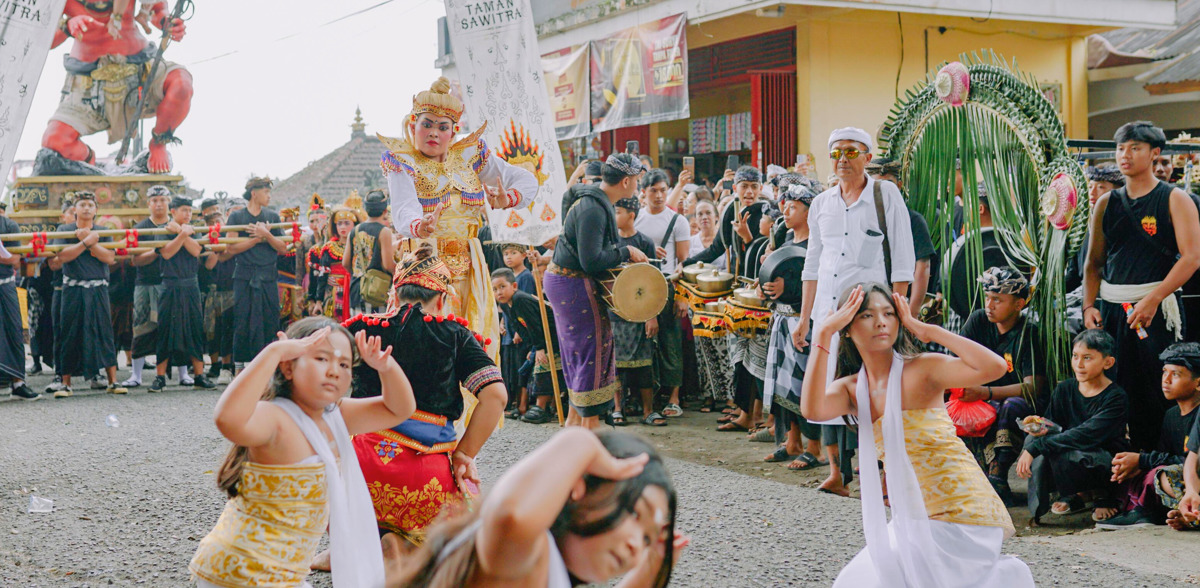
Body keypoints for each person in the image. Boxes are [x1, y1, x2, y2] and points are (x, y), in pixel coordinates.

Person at [802, 284, 1032, 587]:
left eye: (888, 313)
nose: (881, 322)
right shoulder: (851, 388)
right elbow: (812, 409)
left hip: (962, 512)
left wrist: (929, 332)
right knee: (857, 580)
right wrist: (822, 334)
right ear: (847, 327)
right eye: (867, 315)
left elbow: (995, 367)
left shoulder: (924, 368)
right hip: (912, 517)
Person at [189, 317, 415, 588]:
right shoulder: (275, 416)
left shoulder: (335, 416)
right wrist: (273, 353)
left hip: (284, 575)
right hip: (237, 571)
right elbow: (227, 418)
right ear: (288, 367)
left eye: (344, 364)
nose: (334, 371)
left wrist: (385, 366)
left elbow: (399, 409)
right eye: (322, 359)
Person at [345, 245, 507, 545]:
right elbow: (495, 396)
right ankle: (408, 547)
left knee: (342, 499)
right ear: (442, 298)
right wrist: (464, 454)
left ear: (394, 294)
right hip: (424, 477)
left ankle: (358, 543)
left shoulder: (358, 329)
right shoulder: (456, 335)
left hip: (358, 472)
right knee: (465, 514)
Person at [383, 428, 683, 587]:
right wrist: (581, 442)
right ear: (577, 485)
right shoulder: (526, 555)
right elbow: (510, 517)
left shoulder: (540, 561)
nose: (636, 545)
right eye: (634, 513)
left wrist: (654, 564)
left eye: (646, 538)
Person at [795, 127, 917, 497]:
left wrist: (899, 315)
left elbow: (903, 258)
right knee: (827, 385)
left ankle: (881, 474)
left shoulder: (885, 195)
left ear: (867, 156)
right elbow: (812, 266)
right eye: (836, 154)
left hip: (870, 315)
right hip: (828, 314)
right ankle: (837, 472)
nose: (842, 160)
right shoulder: (821, 204)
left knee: (875, 390)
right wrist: (805, 319)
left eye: (851, 152)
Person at [381, 76, 536, 363]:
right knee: (430, 347)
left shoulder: (470, 157)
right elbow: (403, 208)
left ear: (453, 132)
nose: (434, 133)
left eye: (443, 127)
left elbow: (522, 178)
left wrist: (508, 198)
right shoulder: (403, 161)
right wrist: (420, 225)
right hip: (426, 266)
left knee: (474, 340)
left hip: (471, 268)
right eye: (427, 124)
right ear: (413, 125)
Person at [1083, 121, 1200, 451]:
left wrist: (1153, 298)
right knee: (1115, 386)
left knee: (1158, 388)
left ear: (1155, 154)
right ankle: (1119, 475)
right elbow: (1093, 263)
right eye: (1121, 148)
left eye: (1135, 148)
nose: (1126, 155)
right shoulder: (1106, 203)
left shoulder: (1176, 199)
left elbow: (1191, 258)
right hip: (1112, 308)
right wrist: (1088, 306)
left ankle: (1160, 468)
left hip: (1158, 310)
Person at [545, 154, 650, 429]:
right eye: (638, 181)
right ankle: (589, 428)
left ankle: (573, 424)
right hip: (573, 285)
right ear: (626, 181)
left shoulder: (589, 199)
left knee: (578, 354)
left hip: (566, 283)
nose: (637, 186)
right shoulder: (592, 208)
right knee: (590, 354)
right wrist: (626, 250)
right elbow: (591, 260)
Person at [1017, 329, 1130, 525]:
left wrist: (1035, 447)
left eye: (1087, 358)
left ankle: (1103, 494)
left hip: (1102, 460)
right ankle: (1061, 499)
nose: (1079, 364)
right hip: (1069, 450)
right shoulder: (1065, 388)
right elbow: (1055, 425)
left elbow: (1086, 435)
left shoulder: (1115, 397)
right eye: (1075, 356)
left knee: (1050, 448)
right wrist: (1041, 427)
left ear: (1107, 362)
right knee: (1034, 440)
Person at [958, 267, 1047, 503]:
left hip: (1016, 404)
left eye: (997, 299)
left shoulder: (1028, 332)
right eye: (987, 297)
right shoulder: (978, 321)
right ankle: (979, 475)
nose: (990, 304)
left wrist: (987, 392)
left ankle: (997, 473)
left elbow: (1033, 387)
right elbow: (957, 361)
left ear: (1018, 304)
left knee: (1010, 405)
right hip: (981, 397)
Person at [1097, 342, 1200, 529]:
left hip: (1194, 480)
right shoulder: (1171, 415)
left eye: (1175, 374)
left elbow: (1189, 462)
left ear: (1198, 383)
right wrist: (1139, 464)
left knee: (1163, 475)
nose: (1166, 380)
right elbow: (1164, 455)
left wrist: (1144, 460)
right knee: (1136, 472)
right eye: (1164, 372)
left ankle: (1169, 513)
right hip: (1186, 483)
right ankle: (1155, 512)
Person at [761, 182, 826, 470]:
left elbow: (819, 285)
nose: (786, 211)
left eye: (794, 207)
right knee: (784, 387)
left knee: (803, 384)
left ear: (810, 211)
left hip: (804, 321)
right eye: (784, 205)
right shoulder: (785, 240)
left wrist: (788, 287)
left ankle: (816, 448)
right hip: (782, 320)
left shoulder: (818, 245)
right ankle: (792, 442)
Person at [635, 169, 690, 418]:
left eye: (663, 190)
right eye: (653, 190)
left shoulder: (677, 220)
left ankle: (674, 397)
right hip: (639, 286)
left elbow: (685, 262)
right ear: (643, 192)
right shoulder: (635, 218)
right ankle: (646, 398)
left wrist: (682, 296)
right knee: (643, 343)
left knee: (671, 341)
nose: (658, 195)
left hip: (668, 283)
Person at [148, 197, 216, 392]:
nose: (187, 214)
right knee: (165, 330)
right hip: (169, 285)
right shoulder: (163, 230)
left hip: (191, 284)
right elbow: (167, 253)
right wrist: (180, 234)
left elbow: (196, 251)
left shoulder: (194, 231)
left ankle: (199, 376)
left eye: (189, 210)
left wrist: (183, 232)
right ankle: (160, 377)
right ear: (173, 211)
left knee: (195, 328)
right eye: (183, 210)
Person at [611, 197, 667, 427]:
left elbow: (654, 281)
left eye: (618, 212)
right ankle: (617, 409)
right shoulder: (610, 243)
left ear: (631, 215)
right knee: (615, 365)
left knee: (645, 364)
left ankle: (648, 411)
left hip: (641, 311)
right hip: (615, 311)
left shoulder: (644, 242)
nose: (615, 217)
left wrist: (652, 315)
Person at [225, 177, 288, 373]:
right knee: (243, 319)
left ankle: (268, 367)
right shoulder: (236, 217)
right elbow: (231, 248)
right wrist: (256, 239)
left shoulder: (273, 216)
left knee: (270, 319)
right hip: (244, 275)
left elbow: (283, 247)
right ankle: (240, 367)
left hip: (268, 275)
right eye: (266, 192)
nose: (269, 196)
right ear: (254, 193)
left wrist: (267, 235)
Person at [492, 268, 567, 424]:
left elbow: (535, 324)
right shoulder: (506, 305)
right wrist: (533, 348)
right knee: (537, 367)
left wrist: (539, 348)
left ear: (514, 286)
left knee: (544, 367)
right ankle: (543, 406)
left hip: (554, 336)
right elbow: (520, 328)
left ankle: (542, 407)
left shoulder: (520, 299)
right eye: (495, 289)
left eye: (502, 287)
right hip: (541, 340)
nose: (499, 292)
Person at [866, 157, 935, 315]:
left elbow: (922, 266)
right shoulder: (862, 218)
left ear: (899, 185)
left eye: (888, 184)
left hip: (902, 301)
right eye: (878, 185)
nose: (883, 190)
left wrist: (910, 313)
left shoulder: (913, 219)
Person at [120, 185, 171, 388]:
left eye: (162, 200)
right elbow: (135, 261)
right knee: (140, 327)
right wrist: (157, 252)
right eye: (155, 200)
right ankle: (136, 374)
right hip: (145, 282)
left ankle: (182, 373)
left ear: (169, 203)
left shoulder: (176, 226)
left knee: (170, 327)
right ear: (148, 204)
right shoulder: (140, 227)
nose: (159, 204)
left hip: (170, 282)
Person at [198, 200, 236, 384]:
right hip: (212, 288)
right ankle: (215, 364)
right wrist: (215, 243)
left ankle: (231, 364)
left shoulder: (233, 234)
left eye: (219, 219)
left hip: (232, 285)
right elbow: (210, 264)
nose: (216, 225)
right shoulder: (204, 238)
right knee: (212, 329)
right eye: (212, 221)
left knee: (231, 327)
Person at [0, 211, 37, 400]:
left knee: (13, 331)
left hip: (5, 285)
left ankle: (18, 384)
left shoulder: (9, 225)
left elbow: (14, 260)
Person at [343, 190, 396, 314]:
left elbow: (345, 263)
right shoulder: (384, 231)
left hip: (356, 290)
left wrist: (359, 274)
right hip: (376, 291)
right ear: (384, 211)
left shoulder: (354, 230)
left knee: (358, 329)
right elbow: (388, 265)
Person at [317, 206, 359, 322]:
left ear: (355, 225)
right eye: (339, 224)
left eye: (346, 223)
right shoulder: (329, 248)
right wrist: (318, 301)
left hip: (354, 291)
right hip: (334, 293)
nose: (343, 227)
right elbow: (322, 276)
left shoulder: (360, 247)